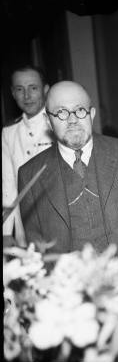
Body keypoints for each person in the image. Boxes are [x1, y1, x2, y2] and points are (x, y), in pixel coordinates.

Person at [18, 81, 118, 257]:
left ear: (92, 114)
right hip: (67, 282)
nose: (72, 120)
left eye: (80, 110)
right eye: (61, 112)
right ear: (48, 121)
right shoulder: (29, 175)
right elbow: (37, 251)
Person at [2, 65, 54, 245]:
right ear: (12, 93)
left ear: (46, 90)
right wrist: (6, 231)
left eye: (33, 88)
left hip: (57, 221)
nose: (27, 95)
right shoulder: (9, 133)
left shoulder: (57, 124)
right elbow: (8, 184)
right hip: (25, 226)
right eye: (19, 89)